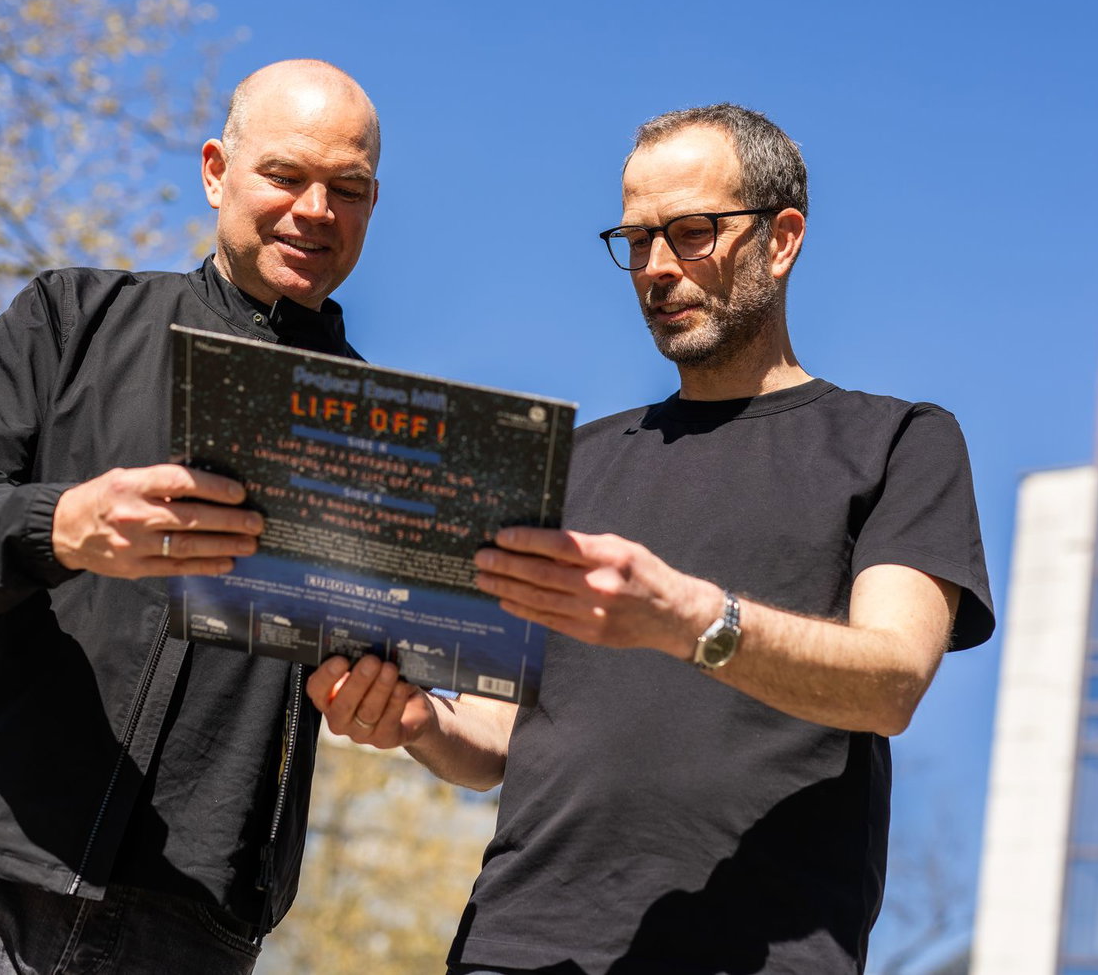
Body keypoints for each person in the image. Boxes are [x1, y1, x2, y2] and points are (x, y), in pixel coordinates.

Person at [308, 103, 994, 974]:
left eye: (692, 232)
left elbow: (891, 681)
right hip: (515, 948)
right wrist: (417, 724)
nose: (658, 268)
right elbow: (492, 736)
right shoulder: (568, 464)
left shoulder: (897, 442)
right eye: (636, 241)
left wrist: (686, 617)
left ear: (782, 240)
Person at [0, 59, 381, 975]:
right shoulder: (69, 317)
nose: (316, 209)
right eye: (286, 176)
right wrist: (58, 526)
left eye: (348, 188)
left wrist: (386, 685)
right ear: (216, 171)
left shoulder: (383, 432)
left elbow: (382, 643)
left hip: (185, 922)